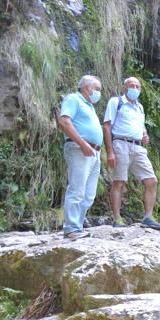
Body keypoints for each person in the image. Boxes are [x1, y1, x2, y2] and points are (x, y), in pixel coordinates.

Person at [102, 76, 160, 229]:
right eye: (131, 85)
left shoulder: (140, 107)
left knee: (151, 180)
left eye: (137, 86)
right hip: (121, 143)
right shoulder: (116, 102)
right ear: (124, 88)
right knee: (119, 181)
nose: (134, 89)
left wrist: (145, 135)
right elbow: (107, 126)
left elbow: (141, 126)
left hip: (138, 147)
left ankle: (148, 217)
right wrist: (110, 152)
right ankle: (117, 218)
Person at [57, 75, 103, 240]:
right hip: (79, 148)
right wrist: (83, 144)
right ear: (87, 87)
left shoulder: (89, 106)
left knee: (89, 194)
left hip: (94, 152)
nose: (99, 93)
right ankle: (71, 229)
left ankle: (78, 225)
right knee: (77, 189)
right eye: (97, 89)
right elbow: (64, 122)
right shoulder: (74, 99)